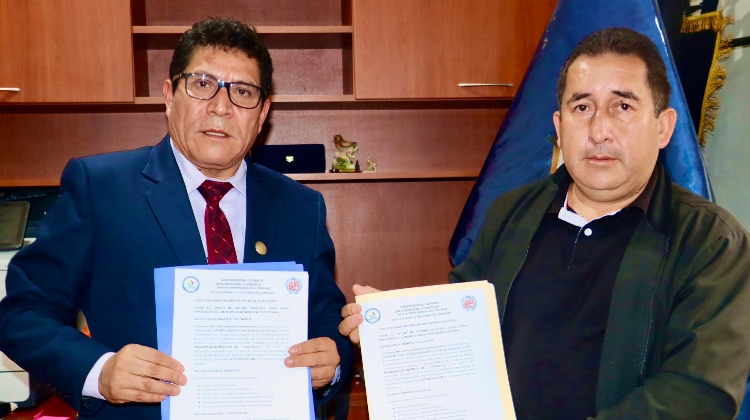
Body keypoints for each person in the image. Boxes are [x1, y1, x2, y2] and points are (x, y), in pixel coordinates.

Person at [339, 27, 750, 419]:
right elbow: (464, 341)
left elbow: (699, 396)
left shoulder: (712, 242)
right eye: (582, 107)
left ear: (663, 127)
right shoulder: (509, 214)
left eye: (622, 107)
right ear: (559, 126)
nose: (599, 130)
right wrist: (396, 331)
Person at [0, 18, 352, 419]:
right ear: (169, 95)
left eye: (243, 92)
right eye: (202, 84)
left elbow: (327, 320)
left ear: (262, 113)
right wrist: (101, 372)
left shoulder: (301, 206)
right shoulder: (101, 188)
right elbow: (23, 313)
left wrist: (332, 362)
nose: (221, 107)